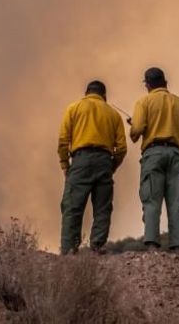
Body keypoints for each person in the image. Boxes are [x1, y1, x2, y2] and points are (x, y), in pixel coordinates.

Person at [129, 67, 179, 253]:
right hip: (176, 156)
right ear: (165, 82)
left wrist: (135, 128)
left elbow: (136, 132)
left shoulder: (143, 102)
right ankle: (178, 249)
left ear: (147, 85)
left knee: (152, 200)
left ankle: (152, 246)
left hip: (152, 155)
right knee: (176, 203)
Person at [58, 80, 127, 254]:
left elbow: (63, 141)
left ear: (86, 93)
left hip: (80, 160)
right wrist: (112, 166)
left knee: (72, 207)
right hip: (104, 160)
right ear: (104, 95)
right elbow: (122, 148)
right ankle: (97, 248)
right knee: (103, 207)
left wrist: (65, 164)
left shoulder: (73, 108)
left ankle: (69, 251)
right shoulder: (113, 114)